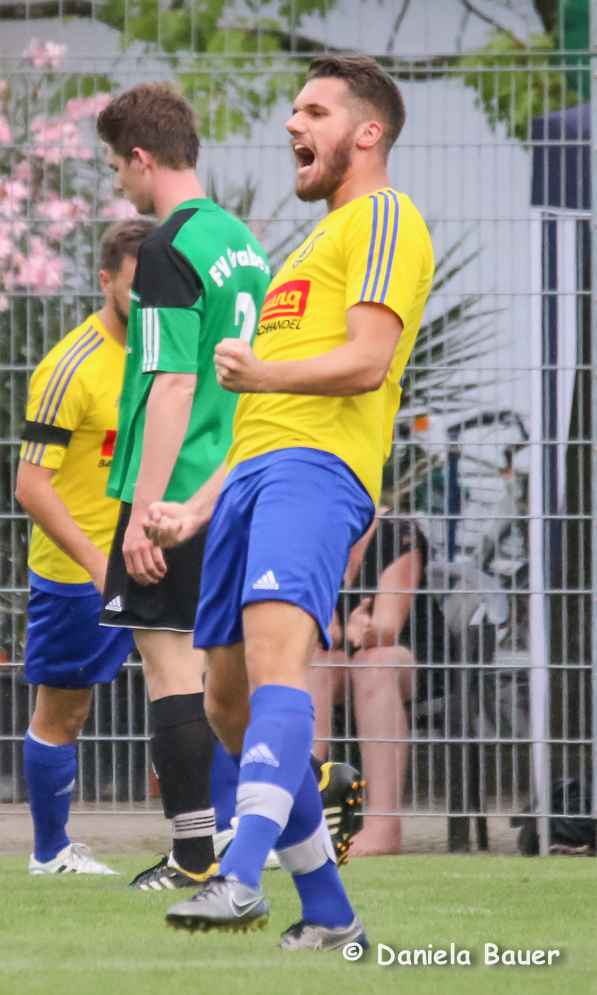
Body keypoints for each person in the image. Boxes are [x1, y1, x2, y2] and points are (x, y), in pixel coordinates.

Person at [146, 55, 434, 951]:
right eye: (293, 111)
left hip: (316, 472)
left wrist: (263, 372)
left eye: (314, 111)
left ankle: (239, 879)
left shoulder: (384, 217)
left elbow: (369, 361)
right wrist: (198, 506)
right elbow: (259, 413)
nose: (291, 124)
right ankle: (332, 915)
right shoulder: (307, 247)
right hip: (252, 480)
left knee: (277, 666)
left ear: (368, 131)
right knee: (227, 703)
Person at [94, 84, 271, 890]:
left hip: (176, 492)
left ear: (141, 157)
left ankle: (195, 856)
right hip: (236, 477)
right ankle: (283, 816)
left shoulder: (168, 248)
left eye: (116, 166)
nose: (119, 183)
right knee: (232, 682)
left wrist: (145, 513)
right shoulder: (243, 242)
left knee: (171, 670)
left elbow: (171, 381)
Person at [17, 219, 152, 874]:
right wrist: (100, 566)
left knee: (210, 691)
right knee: (64, 714)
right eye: (137, 285)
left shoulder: (173, 353)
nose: (151, 299)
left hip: (158, 557)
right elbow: (30, 486)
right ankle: (50, 854)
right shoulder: (70, 366)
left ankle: (221, 835)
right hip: (79, 574)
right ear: (105, 282)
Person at [310, 507, 439, 857]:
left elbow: (387, 629)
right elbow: (325, 633)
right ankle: (302, 807)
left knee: (373, 661)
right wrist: (338, 630)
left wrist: (361, 631)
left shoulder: (399, 533)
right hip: (340, 656)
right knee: (316, 660)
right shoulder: (309, 532)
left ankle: (384, 827)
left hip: (403, 654)